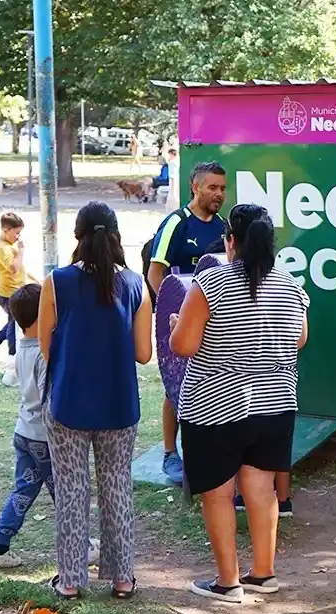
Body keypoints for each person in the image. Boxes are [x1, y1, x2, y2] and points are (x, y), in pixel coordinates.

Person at [170, 204, 310, 603]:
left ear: (231, 241)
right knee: (261, 490)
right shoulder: (291, 285)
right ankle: (263, 573)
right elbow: (299, 339)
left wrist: (176, 325)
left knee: (217, 493)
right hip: (276, 404)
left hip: (215, 406)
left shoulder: (210, 283)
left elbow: (183, 345)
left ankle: (227, 581)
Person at [39, 202, 152, 600]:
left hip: (68, 402)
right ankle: (123, 578)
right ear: (117, 235)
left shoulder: (57, 281)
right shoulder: (136, 283)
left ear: (77, 236)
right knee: (116, 485)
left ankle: (70, 580)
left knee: (71, 489)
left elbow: (46, 346)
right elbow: (143, 353)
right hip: (119, 404)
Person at [0, 283, 101, 569]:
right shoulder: (44, 352)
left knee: (23, 490)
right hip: (45, 437)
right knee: (66, 493)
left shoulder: (23, 348)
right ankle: (82, 547)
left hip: (24, 432)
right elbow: (52, 397)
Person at [145, 161, 228, 482]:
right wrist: (171, 310)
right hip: (177, 320)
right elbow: (155, 272)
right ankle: (170, 453)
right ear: (195, 187)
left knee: (210, 383)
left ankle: (206, 450)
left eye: (222, 188)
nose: (218, 194)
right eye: (212, 187)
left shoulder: (223, 226)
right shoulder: (176, 223)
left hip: (213, 319)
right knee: (174, 386)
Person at [0, 212, 32, 385]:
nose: (18, 237)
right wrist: (21, 251)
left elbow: (21, 269)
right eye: (16, 233)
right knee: (15, 323)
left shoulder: (8, 245)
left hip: (14, 290)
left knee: (15, 322)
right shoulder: (3, 249)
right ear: (6, 230)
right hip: (7, 293)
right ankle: (12, 357)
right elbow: (13, 268)